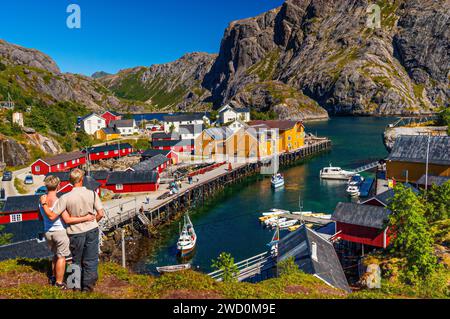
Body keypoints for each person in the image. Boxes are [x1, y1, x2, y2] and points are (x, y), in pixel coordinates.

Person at [40, 169, 105, 292]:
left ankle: (75, 285)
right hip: (91, 229)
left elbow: (52, 216)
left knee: (75, 260)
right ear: (82, 179)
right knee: (90, 260)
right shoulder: (92, 194)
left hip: (75, 232)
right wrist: (92, 221)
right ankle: (87, 287)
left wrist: (43, 203)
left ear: (70, 181)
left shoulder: (65, 198)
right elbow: (101, 213)